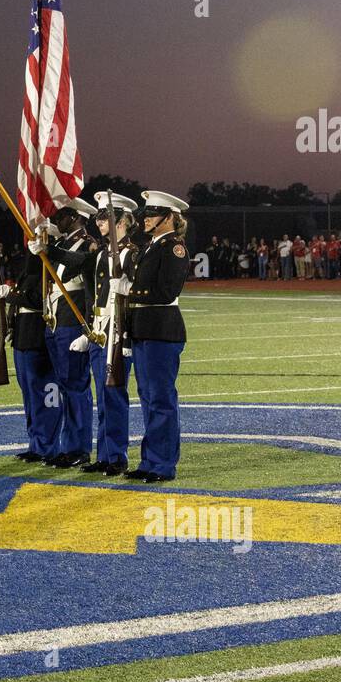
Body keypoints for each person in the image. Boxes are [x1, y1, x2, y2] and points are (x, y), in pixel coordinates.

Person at [125, 190, 191, 483]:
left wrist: (129, 291)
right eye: (146, 213)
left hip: (161, 329)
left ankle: (163, 464)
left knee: (161, 399)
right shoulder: (151, 246)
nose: (146, 218)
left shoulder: (173, 248)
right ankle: (150, 459)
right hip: (144, 328)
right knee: (148, 398)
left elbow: (166, 292)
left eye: (152, 214)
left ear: (169, 218)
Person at [28, 197, 98, 468]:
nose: (57, 219)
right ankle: (66, 445)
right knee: (65, 387)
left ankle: (78, 448)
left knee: (76, 386)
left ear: (77, 217)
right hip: (55, 320)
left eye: (63, 215)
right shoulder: (61, 243)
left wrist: (50, 250)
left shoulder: (89, 243)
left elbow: (79, 262)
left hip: (72, 320)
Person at [82, 192, 138, 475]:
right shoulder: (102, 252)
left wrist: (125, 336)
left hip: (117, 332)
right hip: (100, 331)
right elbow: (100, 295)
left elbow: (132, 294)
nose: (98, 222)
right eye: (98, 217)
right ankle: (104, 454)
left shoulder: (131, 253)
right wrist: (91, 330)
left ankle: (117, 456)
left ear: (122, 221)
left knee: (114, 394)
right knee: (102, 397)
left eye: (104, 217)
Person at [0, 252, 61, 463]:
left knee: (44, 396)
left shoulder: (48, 269)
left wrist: (9, 293)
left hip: (37, 338)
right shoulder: (28, 272)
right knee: (30, 396)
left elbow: (38, 299)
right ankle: (36, 444)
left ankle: (47, 446)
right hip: (22, 337)